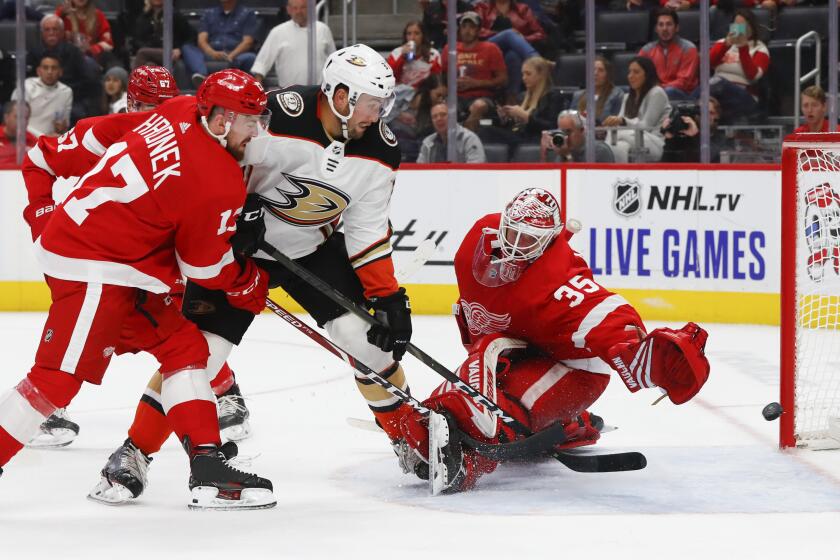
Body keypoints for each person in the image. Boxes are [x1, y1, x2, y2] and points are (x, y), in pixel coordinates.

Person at [91, 44, 415, 504]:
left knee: (366, 340)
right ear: (340, 96)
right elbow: (214, 156)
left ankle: (411, 439)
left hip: (311, 251)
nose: (379, 114)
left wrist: (387, 296)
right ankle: (133, 453)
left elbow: (365, 228)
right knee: (200, 356)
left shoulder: (382, 150)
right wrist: (233, 213)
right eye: (371, 103)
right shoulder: (277, 115)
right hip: (238, 251)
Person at [0, 69, 277, 510]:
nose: (257, 131)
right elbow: (202, 267)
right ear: (221, 120)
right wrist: (247, 283)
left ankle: (208, 469)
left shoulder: (181, 109)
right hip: (96, 263)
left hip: (129, 267)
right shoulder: (217, 178)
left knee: (184, 346)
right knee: (57, 380)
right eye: (250, 120)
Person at [394, 188, 711, 492]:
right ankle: (560, 425)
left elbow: (609, 316)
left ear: (548, 242)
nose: (514, 246)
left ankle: (470, 461)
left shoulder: (561, 281)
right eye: (512, 232)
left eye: (528, 239)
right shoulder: (478, 238)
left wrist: (647, 355)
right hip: (518, 350)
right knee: (468, 382)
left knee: (498, 415)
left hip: (574, 368)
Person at [442, 11, 507, 131]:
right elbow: (443, 77)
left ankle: (466, 141)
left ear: (479, 30)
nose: (467, 30)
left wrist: (477, 83)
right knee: (443, 108)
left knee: (478, 106)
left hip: (483, 96)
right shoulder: (449, 48)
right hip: (456, 96)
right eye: (464, 26)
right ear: (459, 29)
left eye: (472, 27)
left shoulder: (490, 48)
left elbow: (503, 79)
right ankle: (446, 144)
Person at [28, 13, 99, 122]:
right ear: (42, 33)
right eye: (47, 30)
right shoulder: (34, 52)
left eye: (55, 29)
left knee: (77, 114)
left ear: (62, 32)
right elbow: (28, 80)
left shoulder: (74, 52)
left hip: (72, 96)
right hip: (39, 96)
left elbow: (89, 80)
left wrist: (66, 91)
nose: (51, 33)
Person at [602, 56, 671, 163]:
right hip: (630, 138)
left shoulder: (657, 93)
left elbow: (646, 126)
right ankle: (619, 175)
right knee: (619, 146)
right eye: (629, 72)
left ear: (647, 75)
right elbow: (618, 123)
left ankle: (605, 152)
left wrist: (623, 121)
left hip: (654, 142)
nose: (630, 76)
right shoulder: (626, 97)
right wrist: (613, 123)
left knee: (616, 134)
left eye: (636, 72)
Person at [251, 0, 335, 87]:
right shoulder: (278, 32)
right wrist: (258, 87)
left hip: (319, 91)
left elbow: (334, 61)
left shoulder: (323, 29)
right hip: (288, 93)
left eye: (303, 7)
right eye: (295, 8)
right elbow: (261, 63)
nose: (298, 12)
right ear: (288, 10)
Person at [489, 56, 565, 151]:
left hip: (535, 139)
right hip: (518, 136)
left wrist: (526, 117)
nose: (524, 78)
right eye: (523, 74)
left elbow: (552, 127)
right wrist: (505, 119)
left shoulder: (553, 96)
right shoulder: (522, 96)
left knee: (488, 133)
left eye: (528, 74)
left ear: (541, 75)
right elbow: (514, 127)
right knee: (485, 128)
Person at [708, 8, 769, 123]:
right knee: (701, 91)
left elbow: (753, 76)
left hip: (744, 94)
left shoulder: (760, 48)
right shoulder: (722, 43)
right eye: (737, 25)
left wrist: (743, 48)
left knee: (717, 83)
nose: (740, 29)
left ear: (751, 28)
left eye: (744, 25)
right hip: (716, 90)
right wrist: (726, 44)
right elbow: (706, 64)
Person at [474, 0, 544, 98]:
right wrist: (504, 34)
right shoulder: (482, 7)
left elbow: (539, 33)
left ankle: (512, 98)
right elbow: (475, 30)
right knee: (509, 34)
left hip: (514, 51)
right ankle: (539, 62)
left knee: (513, 56)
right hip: (487, 48)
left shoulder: (523, 9)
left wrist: (521, 38)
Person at [182, 0, 258, 88]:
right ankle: (202, 76)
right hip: (211, 53)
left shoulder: (247, 14)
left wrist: (231, 56)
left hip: (236, 54)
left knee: (250, 57)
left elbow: (247, 42)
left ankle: (242, 85)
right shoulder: (209, 13)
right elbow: (201, 40)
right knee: (187, 48)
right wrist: (212, 53)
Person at [638, 8, 698, 101]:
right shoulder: (646, 50)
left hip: (681, 94)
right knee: (623, 91)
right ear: (656, 29)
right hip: (654, 91)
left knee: (669, 91)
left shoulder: (688, 48)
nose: (665, 29)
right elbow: (638, 74)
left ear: (677, 27)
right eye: (661, 25)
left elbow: (684, 82)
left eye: (669, 24)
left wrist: (659, 88)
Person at [11, 54, 72, 137]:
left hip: (52, 140)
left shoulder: (66, 91)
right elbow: (16, 121)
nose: (49, 72)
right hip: (26, 138)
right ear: (38, 71)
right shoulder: (26, 86)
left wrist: (62, 128)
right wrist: (42, 137)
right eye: (45, 68)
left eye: (54, 68)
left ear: (60, 72)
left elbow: (65, 123)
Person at [56, 0, 118, 70]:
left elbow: (108, 43)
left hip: (92, 59)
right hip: (67, 59)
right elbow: (51, 35)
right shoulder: (62, 15)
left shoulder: (98, 15)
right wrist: (61, 13)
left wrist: (91, 49)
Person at [130, 0, 193, 69]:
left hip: (170, 53)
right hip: (150, 54)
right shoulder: (144, 17)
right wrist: (149, 49)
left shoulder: (175, 16)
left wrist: (180, 49)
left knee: (142, 53)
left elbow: (191, 37)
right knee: (150, 65)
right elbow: (136, 40)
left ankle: (133, 79)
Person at [417, 102, 486, 163]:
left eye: (443, 114)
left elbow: (475, 170)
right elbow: (419, 171)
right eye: (434, 116)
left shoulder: (469, 139)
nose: (439, 119)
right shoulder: (427, 142)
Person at [540, 109, 614, 163]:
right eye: (561, 132)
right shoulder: (562, 148)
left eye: (568, 132)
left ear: (581, 130)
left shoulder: (598, 151)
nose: (564, 137)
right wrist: (544, 153)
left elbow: (582, 181)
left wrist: (567, 155)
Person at [387, 20, 442, 90]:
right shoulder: (396, 53)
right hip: (400, 95)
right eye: (409, 34)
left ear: (423, 35)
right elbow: (390, 77)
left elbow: (436, 81)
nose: (412, 37)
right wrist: (402, 58)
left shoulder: (433, 55)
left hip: (423, 95)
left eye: (417, 33)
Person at [569, 55, 623, 125]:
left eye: (600, 70)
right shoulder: (577, 95)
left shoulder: (617, 95)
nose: (595, 73)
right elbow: (571, 122)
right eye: (593, 70)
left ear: (608, 75)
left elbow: (616, 122)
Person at [0, 101, 36, 168]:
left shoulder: (33, 142)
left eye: (26, 118)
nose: (23, 122)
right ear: (6, 117)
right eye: (18, 117)